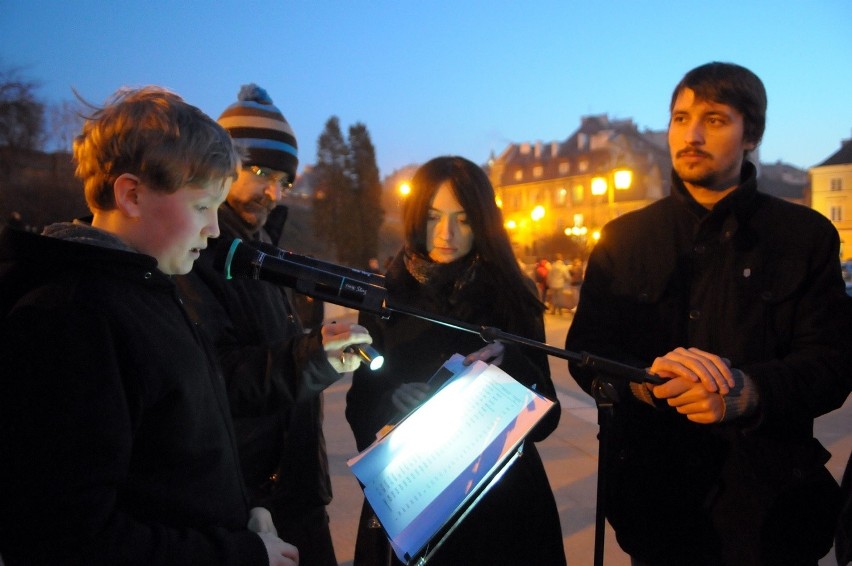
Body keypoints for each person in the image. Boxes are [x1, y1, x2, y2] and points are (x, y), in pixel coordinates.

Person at [565, 62, 852, 565]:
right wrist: (643, 383)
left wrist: (750, 391)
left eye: (714, 119)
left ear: (752, 134)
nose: (691, 134)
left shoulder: (804, 237)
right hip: (657, 507)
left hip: (771, 508)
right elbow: (585, 354)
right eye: (680, 118)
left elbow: (833, 363)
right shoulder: (623, 239)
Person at [0, 86, 298, 565]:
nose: (215, 229)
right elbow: (67, 539)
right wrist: (240, 554)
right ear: (132, 194)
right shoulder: (69, 321)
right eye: (202, 207)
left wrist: (244, 512)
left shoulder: (151, 290)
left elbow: (169, 466)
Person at [177, 83, 372, 566]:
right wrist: (313, 357)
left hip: (299, 490)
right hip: (245, 501)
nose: (272, 191)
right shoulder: (198, 251)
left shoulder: (266, 251)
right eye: (259, 171)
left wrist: (316, 348)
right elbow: (213, 380)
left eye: (283, 179)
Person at [345, 156, 566, 565]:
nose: (446, 233)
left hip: (503, 508)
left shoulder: (511, 297)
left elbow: (547, 419)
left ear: (483, 223)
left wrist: (512, 364)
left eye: (463, 220)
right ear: (415, 218)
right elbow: (359, 403)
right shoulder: (383, 298)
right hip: (414, 502)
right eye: (433, 217)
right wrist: (393, 406)